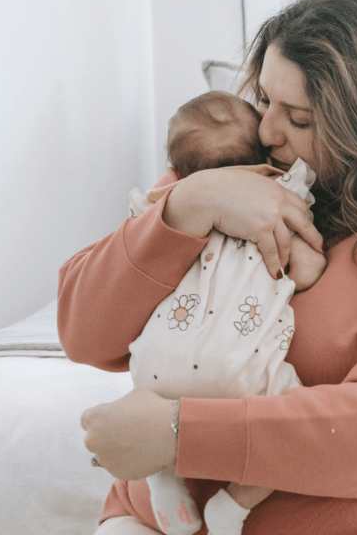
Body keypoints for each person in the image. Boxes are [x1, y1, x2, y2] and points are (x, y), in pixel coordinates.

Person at [59, 0, 357, 535]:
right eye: (264, 99)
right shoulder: (221, 170)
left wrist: (178, 433)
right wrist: (189, 204)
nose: (266, 131)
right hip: (161, 521)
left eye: (300, 119)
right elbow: (82, 333)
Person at [127, 90, 324, 535]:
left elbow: (134, 254)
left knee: (145, 412)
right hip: (241, 373)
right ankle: (233, 505)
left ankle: (164, 487)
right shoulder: (281, 196)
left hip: (155, 368)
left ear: (179, 167)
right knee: (297, 427)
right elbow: (306, 272)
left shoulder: (167, 201)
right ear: (261, 154)